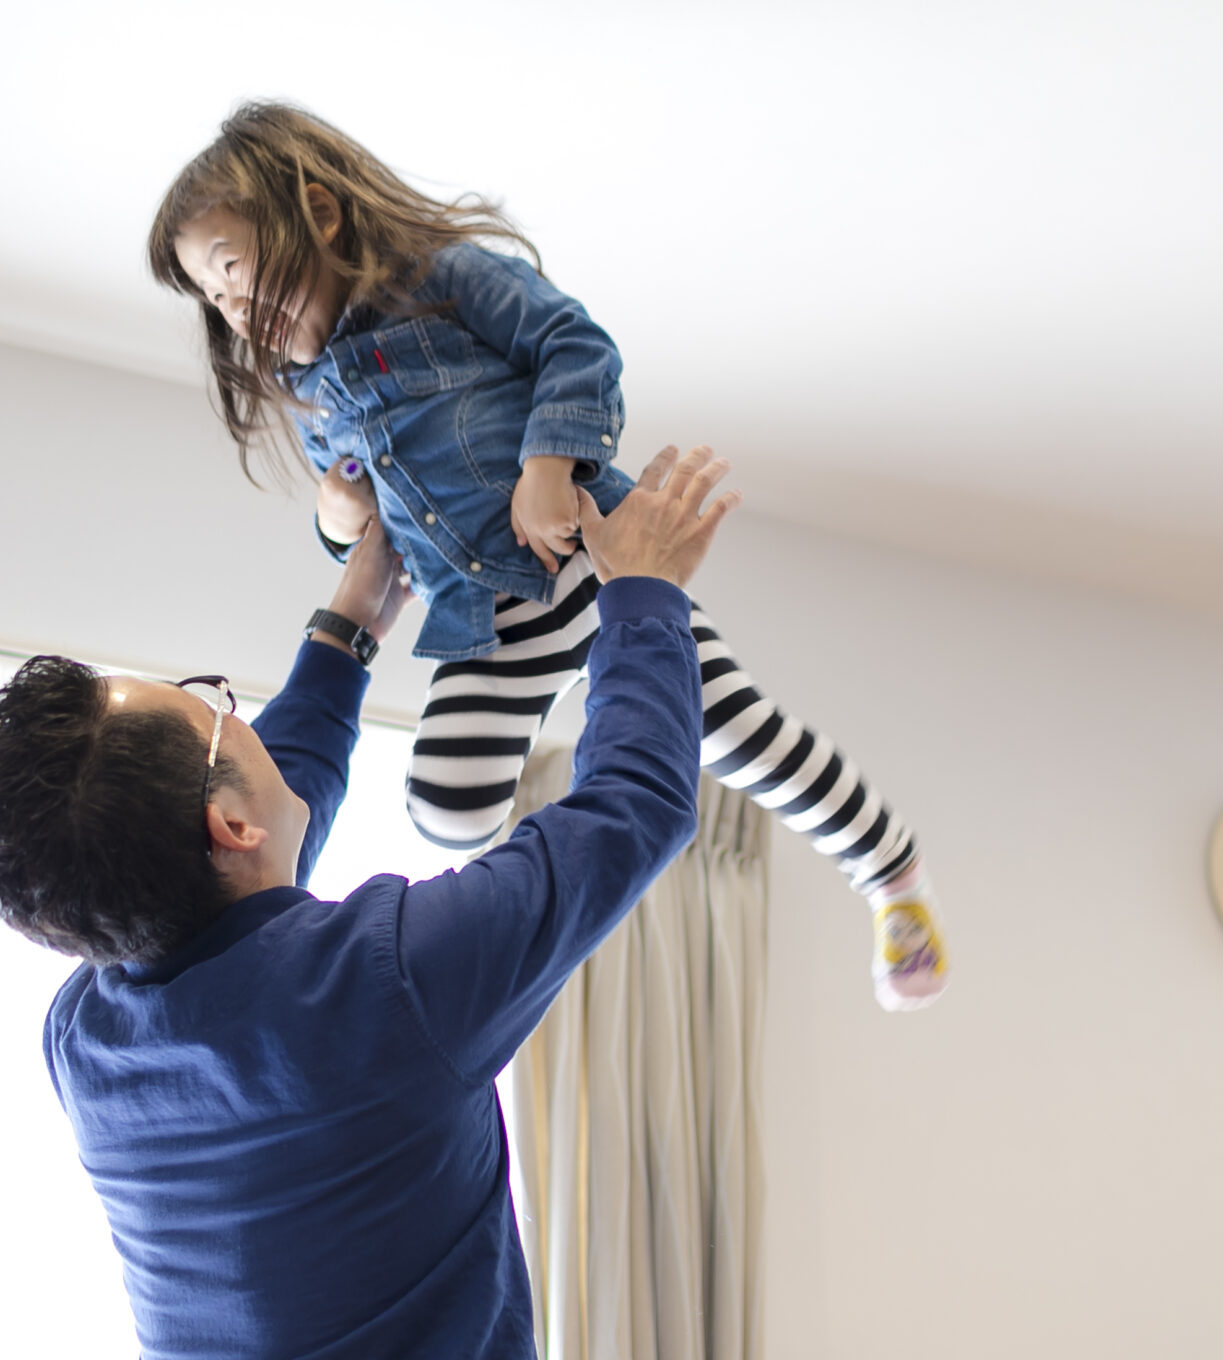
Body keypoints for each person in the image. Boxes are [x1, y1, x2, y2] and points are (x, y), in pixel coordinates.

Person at [0, 443, 736, 1360]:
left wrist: (352, 618)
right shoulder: (392, 981)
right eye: (216, 709)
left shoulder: (89, 1038)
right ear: (226, 820)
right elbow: (630, 809)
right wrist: (642, 592)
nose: (237, 719)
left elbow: (256, 835)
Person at [148, 99, 948, 1010]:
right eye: (214, 298)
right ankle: (584, 839)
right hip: (487, 625)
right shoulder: (315, 394)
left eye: (233, 271)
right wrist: (336, 518)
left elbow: (577, 344)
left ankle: (893, 871)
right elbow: (365, 523)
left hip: (600, 573)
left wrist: (546, 462)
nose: (233, 310)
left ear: (320, 216)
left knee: (749, 742)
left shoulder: (441, 278)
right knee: (443, 811)